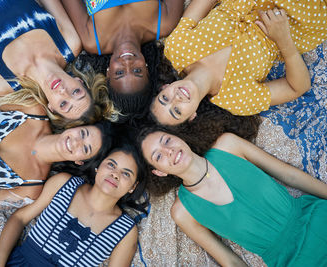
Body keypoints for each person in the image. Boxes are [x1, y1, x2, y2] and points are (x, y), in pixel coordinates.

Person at [139, 127, 327, 266]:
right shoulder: (182, 212)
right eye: (158, 156)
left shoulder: (228, 145)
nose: (169, 150)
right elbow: (230, 261)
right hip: (289, 261)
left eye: (166, 140)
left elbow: (289, 175)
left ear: (178, 136)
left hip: (316, 218)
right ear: (160, 172)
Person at [0, 89, 113, 217]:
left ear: (80, 161)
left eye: (85, 148)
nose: (76, 141)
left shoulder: (31, 188)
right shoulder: (34, 111)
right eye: (83, 133)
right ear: (77, 126)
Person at [151, 0, 327, 125]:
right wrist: (284, 41)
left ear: (165, 87)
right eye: (177, 111)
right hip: (295, 17)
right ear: (192, 116)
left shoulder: (176, 49)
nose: (176, 99)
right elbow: (298, 87)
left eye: (165, 98)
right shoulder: (236, 99)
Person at [0, 143, 148, 266]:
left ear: (133, 186)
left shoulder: (125, 231)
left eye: (126, 173)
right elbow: (20, 218)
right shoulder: (64, 183)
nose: (115, 174)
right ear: (98, 167)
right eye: (111, 165)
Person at [61, 0, 184, 120]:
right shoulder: (164, 23)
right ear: (147, 68)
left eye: (119, 73)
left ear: (108, 73)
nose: (127, 62)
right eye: (137, 70)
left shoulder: (92, 40)